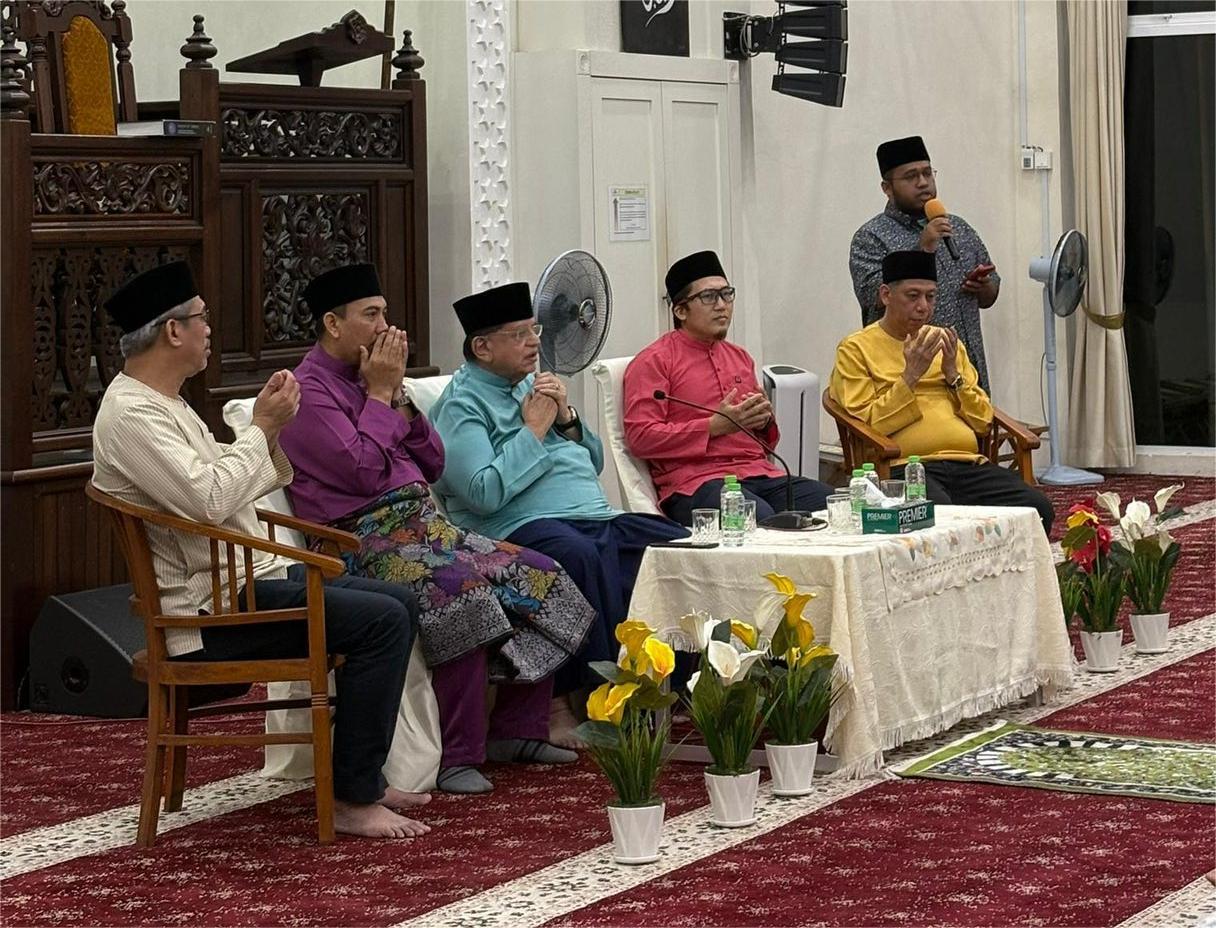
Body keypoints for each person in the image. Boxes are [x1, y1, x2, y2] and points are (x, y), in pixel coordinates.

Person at [91, 261, 430, 839]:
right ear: (172, 331)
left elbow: (228, 481)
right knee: (381, 621)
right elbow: (211, 499)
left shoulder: (165, 402)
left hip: (243, 586)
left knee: (398, 602)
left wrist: (267, 431)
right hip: (207, 614)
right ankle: (352, 796)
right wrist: (261, 427)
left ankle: (361, 777)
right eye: (201, 319)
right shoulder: (131, 414)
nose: (209, 330)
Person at [279, 264, 596, 795]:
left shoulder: (372, 380)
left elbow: (432, 462)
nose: (385, 327)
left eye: (385, 313)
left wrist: (397, 398)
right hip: (360, 540)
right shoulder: (307, 392)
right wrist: (379, 395)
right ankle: (458, 754)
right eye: (371, 315)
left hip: (426, 527)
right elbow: (361, 472)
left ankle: (516, 729)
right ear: (333, 324)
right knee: (463, 592)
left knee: (544, 577)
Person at [428, 282, 689, 718]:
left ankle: (678, 685)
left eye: (534, 330)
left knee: (677, 544)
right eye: (519, 335)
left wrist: (565, 417)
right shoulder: (461, 406)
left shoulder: (532, 384)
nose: (535, 343)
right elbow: (481, 493)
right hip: (516, 526)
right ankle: (594, 699)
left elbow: (595, 460)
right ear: (482, 347)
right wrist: (532, 430)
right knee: (578, 555)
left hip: (595, 515)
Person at [830, 251, 1054, 533]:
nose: (923, 307)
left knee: (1038, 510)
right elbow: (868, 424)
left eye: (931, 296)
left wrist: (953, 376)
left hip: (966, 464)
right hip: (903, 467)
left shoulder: (947, 343)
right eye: (913, 296)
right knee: (941, 518)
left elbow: (983, 422)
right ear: (886, 295)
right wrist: (910, 376)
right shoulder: (856, 348)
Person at [622, 250, 833, 525]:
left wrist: (763, 421)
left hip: (758, 473)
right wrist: (712, 427)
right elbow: (641, 437)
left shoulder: (739, 357)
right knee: (759, 519)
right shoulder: (654, 361)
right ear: (680, 310)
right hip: (696, 484)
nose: (722, 305)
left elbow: (765, 442)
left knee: (837, 505)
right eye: (709, 297)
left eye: (727, 294)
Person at [849, 135, 1000, 394]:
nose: (923, 182)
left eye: (927, 173)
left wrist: (984, 286)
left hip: (965, 369)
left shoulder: (959, 228)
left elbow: (991, 293)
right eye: (911, 176)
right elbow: (873, 296)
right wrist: (923, 248)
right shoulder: (871, 237)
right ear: (887, 188)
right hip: (906, 375)